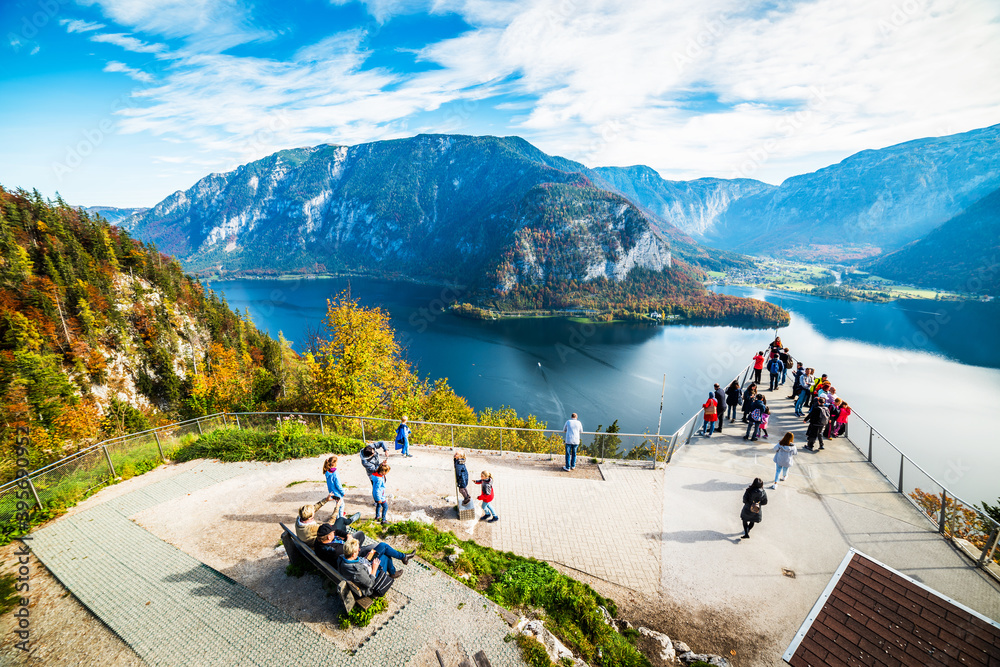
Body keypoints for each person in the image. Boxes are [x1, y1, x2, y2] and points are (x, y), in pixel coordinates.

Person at [338, 536, 413, 594]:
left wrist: (364, 558)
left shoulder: (342, 557)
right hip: (372, 575)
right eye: (358, 550)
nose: (359, 550)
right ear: (354, 554)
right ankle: (394, 571)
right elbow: (370, 584)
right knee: (386, 556)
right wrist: (374, 568)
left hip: (366, 563)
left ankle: (403, 557)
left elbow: (356, 562)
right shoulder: (357, 571)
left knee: (383, 546)